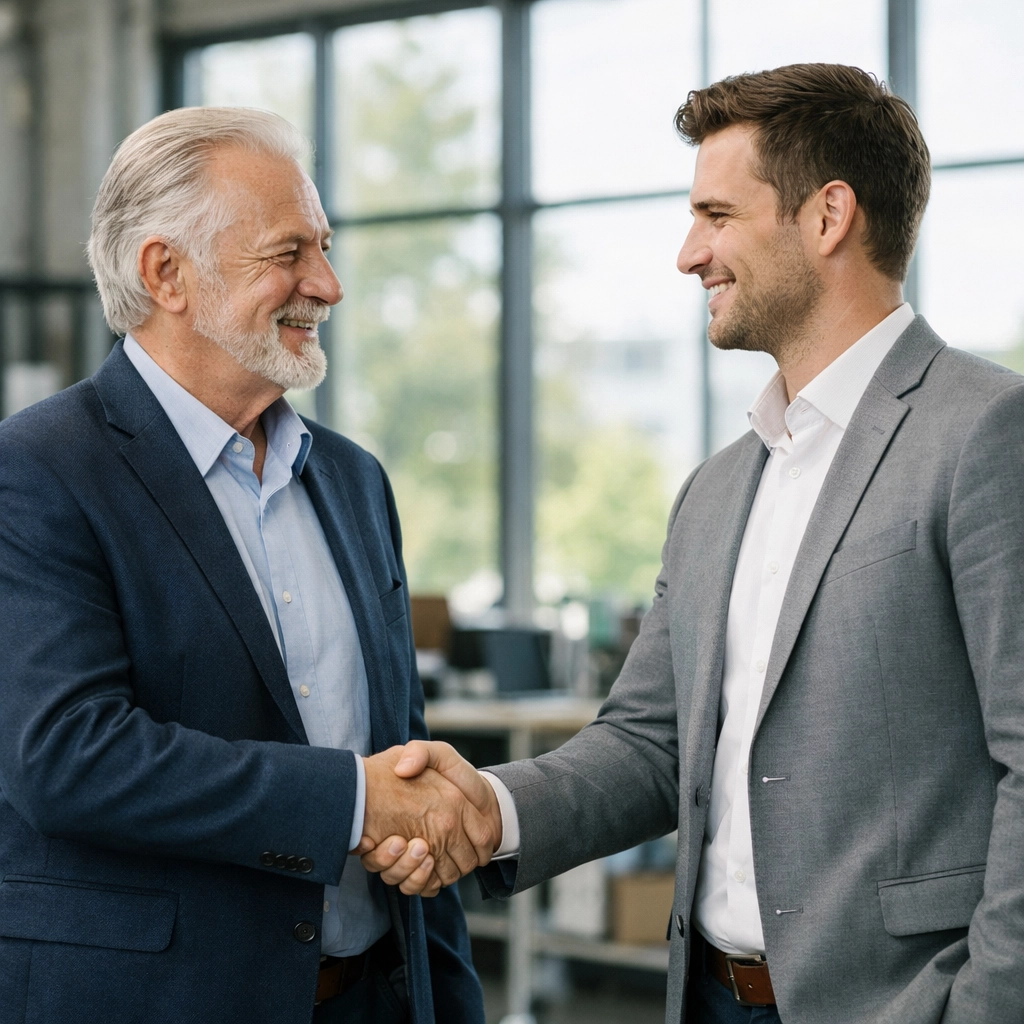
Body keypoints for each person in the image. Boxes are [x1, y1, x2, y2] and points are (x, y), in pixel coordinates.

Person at [361, 64, 1024, 1023]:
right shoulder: (717, 490)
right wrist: (486, 811)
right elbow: (650, 744)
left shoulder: (987, 434)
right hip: (707, 996)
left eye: (717, 215)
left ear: (828, 216)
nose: (689, 254)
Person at [0, 107, 498, 1024]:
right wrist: (354, 802)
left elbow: (404, 755)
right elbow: (66, 756)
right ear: (166, 273)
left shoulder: (352, 479)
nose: (329, 285)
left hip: (376, 997)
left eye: (327, 247)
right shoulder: (34, 470)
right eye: (289, 254)